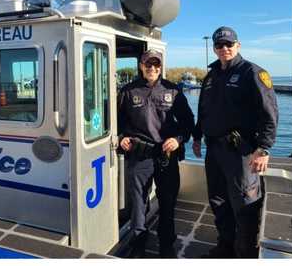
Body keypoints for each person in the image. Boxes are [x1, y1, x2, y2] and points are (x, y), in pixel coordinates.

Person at [192, 26, 278, 258]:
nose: (224, 49)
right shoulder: (210, 77)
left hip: (241, 152)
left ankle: (245, 254)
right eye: (219, 45)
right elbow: (204, 110)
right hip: (214, 149)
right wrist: (197, 136)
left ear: (238, 45)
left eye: (229, 44)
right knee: (218, 200)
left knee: (244, 204)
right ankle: (225, 247)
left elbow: (269, 113)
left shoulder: (252, 72)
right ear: (214, 48)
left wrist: (264, 148)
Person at [118, 49, 195, 257]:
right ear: (141, 66)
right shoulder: (127, 91)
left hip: (166, 157)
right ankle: (138, 246)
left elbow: (188, 122)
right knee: (138, 205)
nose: (152, 68)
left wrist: (178, 140)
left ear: (161, 67)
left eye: (156, 64)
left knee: (167, 203)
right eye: (148, 64)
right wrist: (120, 137)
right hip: (139, 156)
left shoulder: (174, 91)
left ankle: (166, 246)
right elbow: (117, 122)